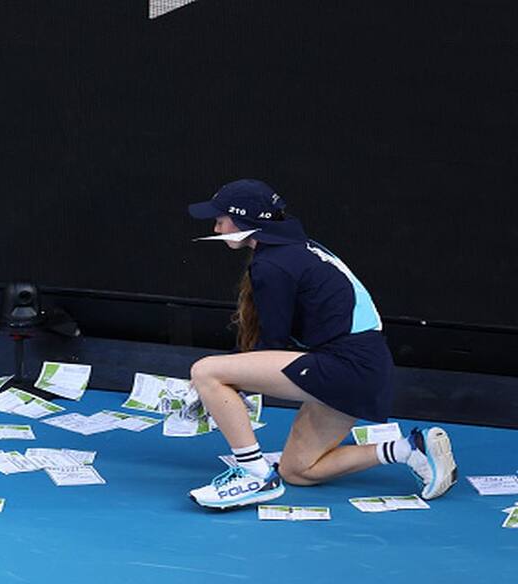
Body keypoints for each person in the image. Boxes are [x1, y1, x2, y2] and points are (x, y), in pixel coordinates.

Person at [184, 179, 457, 510]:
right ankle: (409, 450)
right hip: (365, 367)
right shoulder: (297, 249)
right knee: (298, 470)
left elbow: (275, 345)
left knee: (206, 372)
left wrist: (228, 387)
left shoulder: (272, 265)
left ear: (246, 221)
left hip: (346, 367)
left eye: (221, 218)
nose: (215, 226)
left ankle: (254, 474)